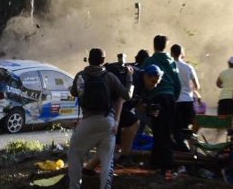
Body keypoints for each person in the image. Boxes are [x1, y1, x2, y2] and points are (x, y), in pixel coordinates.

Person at [57, 48, 133, 189]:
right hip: (108, 121)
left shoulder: (81, 75)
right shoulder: (110, 76)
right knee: (107, 159)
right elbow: (127, 95)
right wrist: (129, 77)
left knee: (75, 152)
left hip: (88, 120)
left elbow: (74, 93)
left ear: (88, 59)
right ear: (103, 60)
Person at [83, 64, 164, 173]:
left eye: (157, 83)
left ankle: (88, 169)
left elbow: (137, 103)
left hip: (114, 110)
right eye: (153, 82)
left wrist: (149, 110)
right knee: (134, 122)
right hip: (110, 108)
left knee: (115, 145)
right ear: (146, 76)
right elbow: (120, 100)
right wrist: (116, 122)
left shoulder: (145, 87)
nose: (154, 85)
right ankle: (124, 157)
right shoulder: (135, 81)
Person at [141, 35, 181, 173]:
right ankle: (158, 162)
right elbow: (177, 83)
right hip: (170, 98)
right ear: (166, 46)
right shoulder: (171, 61)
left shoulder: (150, 60)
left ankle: (165, 164)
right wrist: (173, 98)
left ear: (154, 45)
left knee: (159, 131)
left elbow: (142, 78)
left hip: (157, 98)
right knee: (165, 131)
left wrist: (144, 99)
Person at [170, 44, 201, 152]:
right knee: (187, 127)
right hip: (188, 101)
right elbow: (197, 86)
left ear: (171, 53)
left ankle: (183, 150)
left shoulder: (170, 66)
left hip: (176, 101)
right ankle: (188, 147)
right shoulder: (188, 67)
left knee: (176, 129)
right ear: (182, 53)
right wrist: (189, 89)